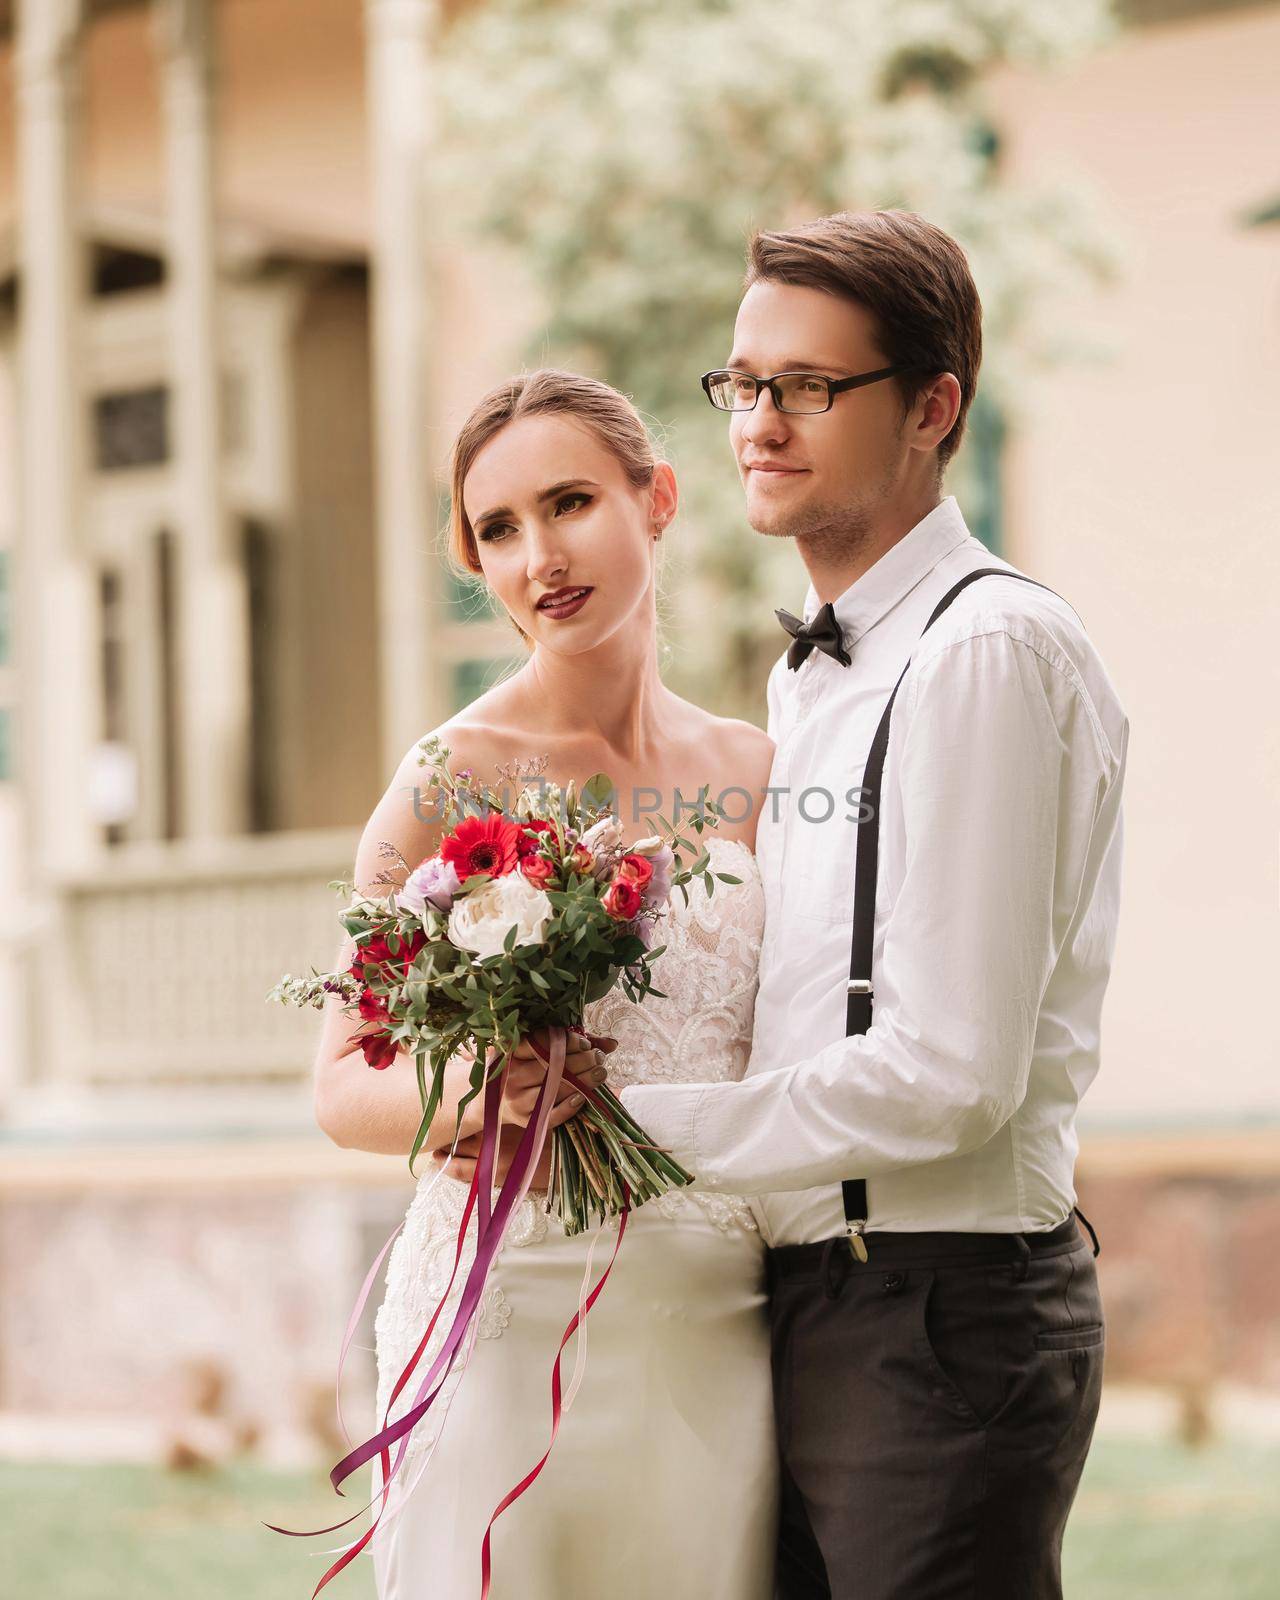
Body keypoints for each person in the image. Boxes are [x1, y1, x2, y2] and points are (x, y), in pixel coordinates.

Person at [614, 210, 1131, 1598]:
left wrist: (627, 1130)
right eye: (745, 384)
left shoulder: (986, 650)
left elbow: (953, 1075)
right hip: (817, 1295)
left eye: (811, 387)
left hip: (935, 1304)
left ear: (933, 406)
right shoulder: (814, 679)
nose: (759, 425)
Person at [311, 368, 779, 1597]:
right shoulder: (445, 776)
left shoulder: (758, 770)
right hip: (501, 1305)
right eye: (498, 530)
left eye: (569, 502)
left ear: (658, 498)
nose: (538, 556)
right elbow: (343, 1079)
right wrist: (480, 1087)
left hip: (713, 1315)